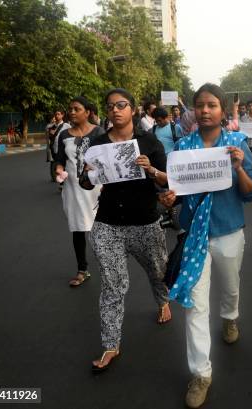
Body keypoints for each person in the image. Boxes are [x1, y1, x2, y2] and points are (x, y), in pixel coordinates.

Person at [158, 83, 252, 409]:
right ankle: (201, 373)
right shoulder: (183, 147)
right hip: (194, 237)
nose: (204, 110)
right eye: (200, 105)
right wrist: (171, 197)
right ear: (193, 111)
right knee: (196, 306)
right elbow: (178, 191)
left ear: (222, 110)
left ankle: (230, 317)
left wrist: (240, 167)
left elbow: (250, 193)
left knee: (230, 289)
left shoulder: (237, 144)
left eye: (211, 105)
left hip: (228, 231)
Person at [79, 88, 172, 374]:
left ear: (132, 109)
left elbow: (167, 182)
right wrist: (86, 173)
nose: (116, 110)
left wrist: (152, 170)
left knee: (158, 271)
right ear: (106, 112)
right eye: (110, 107)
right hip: (108, 224)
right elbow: (86, 184)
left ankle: (163, 301)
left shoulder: (149, 142)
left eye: (121, 105)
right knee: (112, 285)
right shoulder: (96, 144)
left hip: (145, 222)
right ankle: (110, 344)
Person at [54, 97, 104, 287]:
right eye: (70, 109)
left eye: (76, 109)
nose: (72, 112)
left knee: (99, 228)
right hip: (73, 189)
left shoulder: (99, 132)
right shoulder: (64, 134)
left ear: (88, 112)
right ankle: (82, 269)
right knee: (77, 228)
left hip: (95, 188)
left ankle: (108, 267)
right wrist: (59, 170)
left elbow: (104, 160)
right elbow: (59, 159)